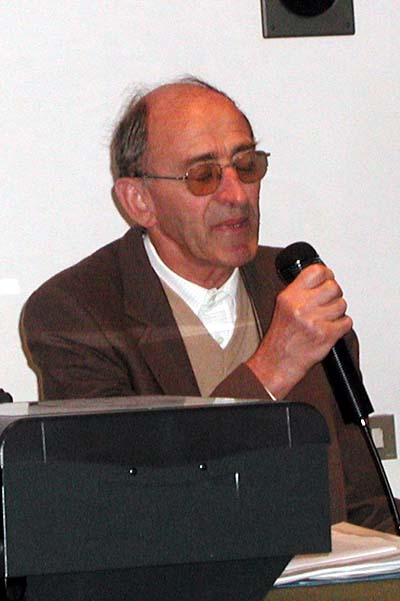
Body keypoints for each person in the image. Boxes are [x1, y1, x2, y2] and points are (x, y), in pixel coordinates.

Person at [21, 77, 394, 532]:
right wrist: (271, 368)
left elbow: (365, 503)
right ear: (140, 201)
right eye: (204, 175)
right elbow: (120, 506)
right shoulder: (76, 313)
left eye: (246, 165)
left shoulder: (292, 287)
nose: (237, 194)